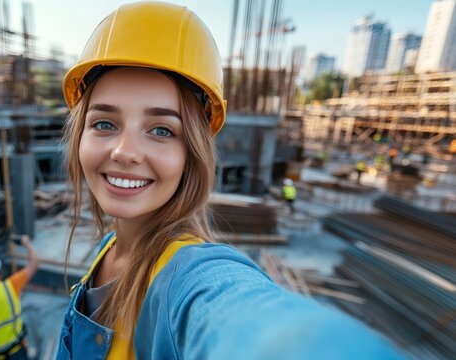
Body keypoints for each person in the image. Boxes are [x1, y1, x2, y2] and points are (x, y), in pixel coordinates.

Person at [57, 2, 402, 359]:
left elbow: (266, 331)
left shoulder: (189, 279)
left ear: (192, 153)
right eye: (104, 124)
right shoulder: (108, 249)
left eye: (161, 129)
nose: (124, 152)